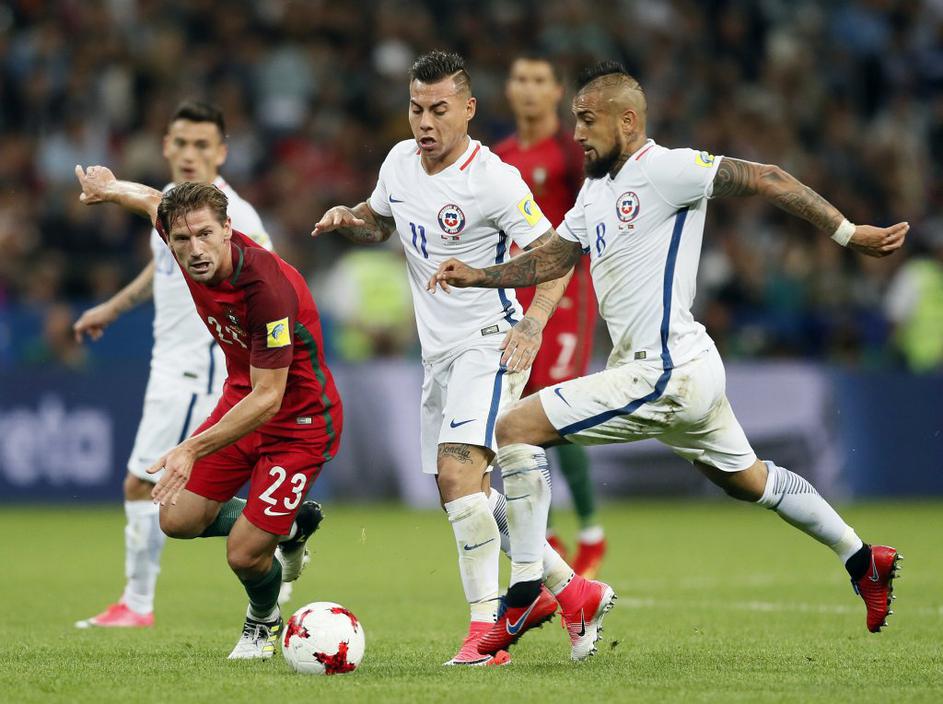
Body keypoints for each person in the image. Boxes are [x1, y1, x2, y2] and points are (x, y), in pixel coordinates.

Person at [429, 60, 907, 651]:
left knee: (513, 428)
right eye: (575, 120)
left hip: (664, 373)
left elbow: (767, 176)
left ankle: (528, 589)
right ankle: (862, 558)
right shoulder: (595, 191)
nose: (576, 133)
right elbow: (553, 257)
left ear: (627, 121)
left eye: (587, 120)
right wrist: (482, 275)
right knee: (749, 481)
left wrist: (849, 233)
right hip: (680, 369)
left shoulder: (667, 169)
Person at [313, 50, 612, 664]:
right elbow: (380, 221)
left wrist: (533, 323)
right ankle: (571, 590)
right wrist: (351, 219)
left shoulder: (493, 179)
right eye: (416, 109)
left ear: (469, 109)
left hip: (489, 341)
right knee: (462, 492)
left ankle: (486, 633)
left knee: (457, 477)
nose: (425, 122)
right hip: (438, 354)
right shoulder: (399, 162)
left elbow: (556, 255)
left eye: (439, 110)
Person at [75, 166, 342, 659]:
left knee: (243, 554)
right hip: (242, 400)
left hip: (299, 422)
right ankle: (289, 525)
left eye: (204, 235)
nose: (194, 249)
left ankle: (262, 621)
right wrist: (110, 190)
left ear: (227, 229)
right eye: (182, 239)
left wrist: (190, 449)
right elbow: (152, 200)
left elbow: (270, 397)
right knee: (175, 517)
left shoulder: (265, 287)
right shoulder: (180, 234)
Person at [72, 102, 297, 630]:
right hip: (170, 364)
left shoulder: (234, 215)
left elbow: (270, 280)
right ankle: (282, 523)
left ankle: (137, 603)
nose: (190, 153)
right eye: (181, 142)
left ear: (222, 152)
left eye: (202, 144)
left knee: (142, 484)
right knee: (160, 490)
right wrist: (113, 307)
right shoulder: (176, 208)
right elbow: (164, 268)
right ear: (166, 147)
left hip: (200, 371)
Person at [494, 54, 605, 577]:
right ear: (508, 88)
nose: (529, 89)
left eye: (540, 80)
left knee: (558, 409)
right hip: (514, 297)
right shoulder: (499, 157)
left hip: (567, 296)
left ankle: (591, 535)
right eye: (521, 79)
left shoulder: (571, 153)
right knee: (518, 416)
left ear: (558, 91)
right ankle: (550, 536)